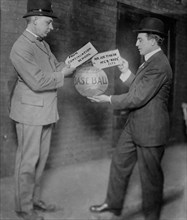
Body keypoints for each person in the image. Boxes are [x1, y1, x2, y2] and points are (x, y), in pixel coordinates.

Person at [88, 17, 173, 220]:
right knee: (119, 161)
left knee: (150, 179)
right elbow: (140, 88)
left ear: (154, 40)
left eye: (140, 40)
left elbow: (137, 97)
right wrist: (125, 71)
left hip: (151, 130)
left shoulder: (160, 64)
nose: (136, 44)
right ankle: (113, 204)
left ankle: (152, 217)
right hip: (135, 125)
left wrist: (107, 98)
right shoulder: (150, 62)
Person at [9, 0, 75, 220]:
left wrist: (71, 65)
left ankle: (34, 200)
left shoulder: (43, 44)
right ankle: (24, 209)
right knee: (27, 162)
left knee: (40, 160)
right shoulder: (21, 47)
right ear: (35, 20)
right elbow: (37, 82)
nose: (51, 27)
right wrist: (62, 75)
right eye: (48, 22)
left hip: (45, 110)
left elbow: (56, 68)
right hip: (30, 113)